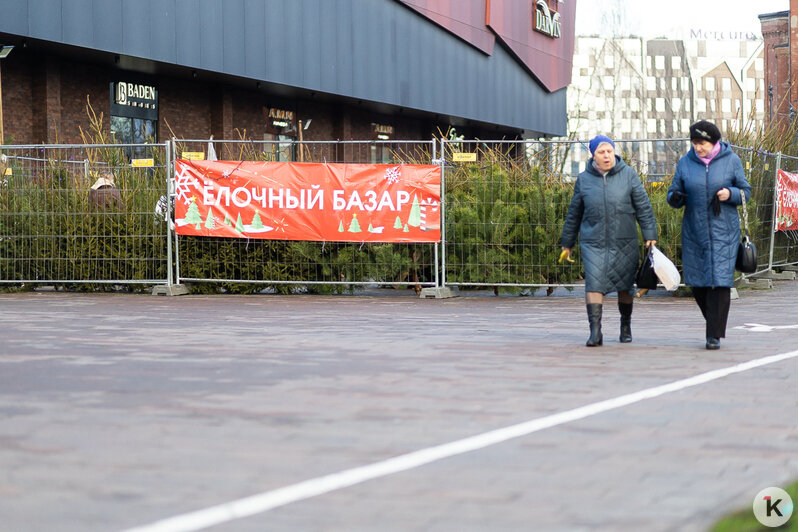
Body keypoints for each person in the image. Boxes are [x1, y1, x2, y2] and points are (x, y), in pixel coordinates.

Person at [561, 135, 658, 347]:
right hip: (593, 242)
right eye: (601, 152)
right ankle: (595, 332)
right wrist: (567, 243)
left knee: (625, 286)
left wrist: (650, 234)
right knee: (593, 284)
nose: (606, 156)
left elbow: (643, 206)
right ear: (593, 155)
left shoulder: (629, 175)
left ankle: (625, 325)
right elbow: (574, 213)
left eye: (609, 151)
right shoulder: (584, 179)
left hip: (624, 240)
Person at [667, 120, 751, 350]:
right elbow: (673, 191)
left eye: (701, 143)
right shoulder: (685, 163)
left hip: (725, 230)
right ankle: (714, 323)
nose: (697, 147)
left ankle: (713, 334)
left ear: (713, 142)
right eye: (694, 143)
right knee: (698, 282)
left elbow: (746, 192)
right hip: (694, 230)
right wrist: (675, 197)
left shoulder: (732, 160)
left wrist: (730, 193)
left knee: (720, 280)